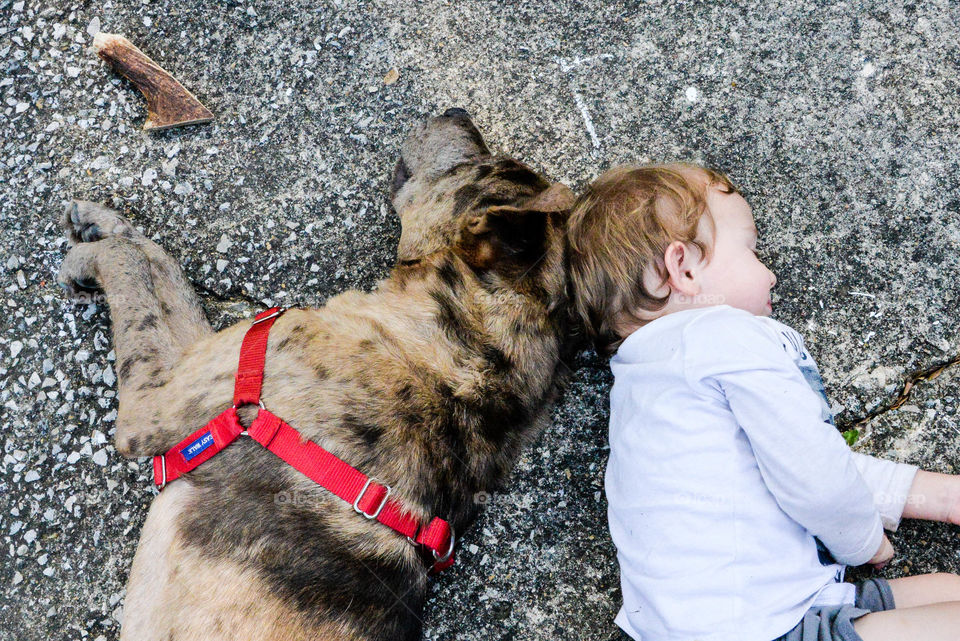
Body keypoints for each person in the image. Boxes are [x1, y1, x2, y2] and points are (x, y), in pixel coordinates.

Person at [565, 163, 960, 641]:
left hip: (746, 616)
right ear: (684, 268)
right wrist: (863, 541)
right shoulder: (723, 334)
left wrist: (940, 497)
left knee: (946, 591)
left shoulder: (645, 385)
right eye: (751, 250)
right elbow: (814, 476)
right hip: (758, 628)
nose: (770, 274)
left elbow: (794, 460)